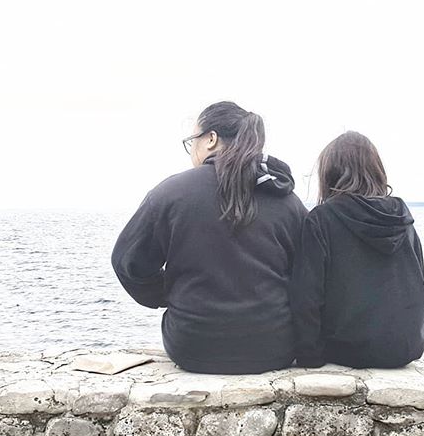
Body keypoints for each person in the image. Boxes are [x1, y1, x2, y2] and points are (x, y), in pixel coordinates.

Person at [111, 101, 307, 374]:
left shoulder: (171, 193)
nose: (191, 150)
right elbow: (307, 277)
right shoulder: (287, 201)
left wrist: (169, 294)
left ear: (211, 139)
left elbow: (128, 263)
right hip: (275, 348)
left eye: (192, 141)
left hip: (192, 346)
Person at [291, 131, 424, 368]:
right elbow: (416, 282)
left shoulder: (322, 219)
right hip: (406, 348)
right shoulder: (402, 217)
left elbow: (307, 297)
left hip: (347, 350)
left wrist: (309, 357)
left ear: (330, 172)